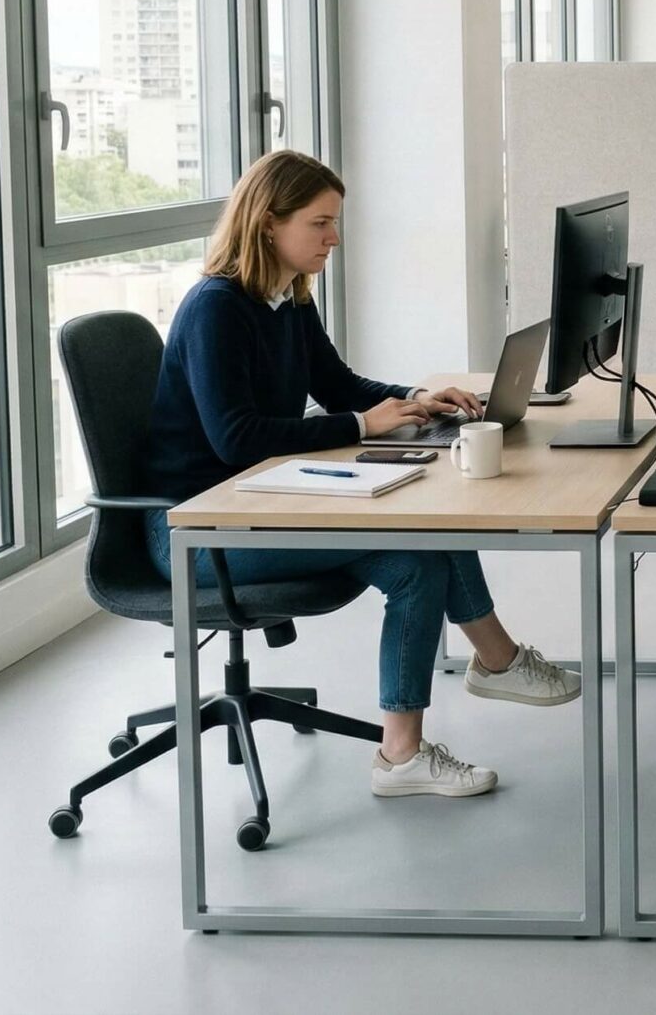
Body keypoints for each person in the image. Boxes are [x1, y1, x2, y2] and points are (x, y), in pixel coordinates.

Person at [143, 150, 580, 800]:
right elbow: (234, 439)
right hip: (197, 529)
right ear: (268, 222)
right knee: (418, 532)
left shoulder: (286, 298)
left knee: (416, 562)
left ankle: (404, 752)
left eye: (335, 222)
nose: (334, 238)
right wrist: (361, 427)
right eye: (320, 223)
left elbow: (339, 384)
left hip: (260, 501)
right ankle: (496, 661)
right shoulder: (216, 308)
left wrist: (415, 399)